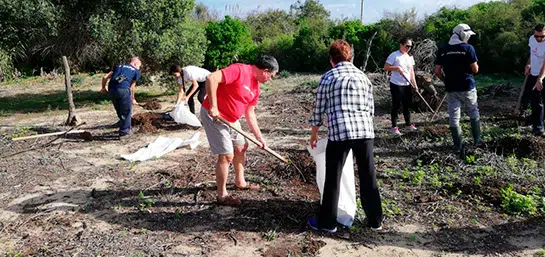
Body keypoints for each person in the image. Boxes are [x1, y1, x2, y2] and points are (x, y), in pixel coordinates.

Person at [307, 40, 383, 233]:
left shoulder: (328, 77)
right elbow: (370, 108)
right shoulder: (363, 77)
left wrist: (314, 134)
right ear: (351, 57)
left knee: (333, 177)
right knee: (368, 176)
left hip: (340, 132)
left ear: (331, 59)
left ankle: (328, 223)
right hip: (365, 132)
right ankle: (375, 221)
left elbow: (318, 109)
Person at [200, 55, 278, 206]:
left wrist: (259, 138)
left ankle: (240, 182)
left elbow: (250, 113)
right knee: (227, 155)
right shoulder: (239, 70)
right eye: (272, 76)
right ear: (266, 71)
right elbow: (211, 78)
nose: (271, 80)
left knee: (241, 147)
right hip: (215, 115)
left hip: (232, 119)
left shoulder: (256, 88)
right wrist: (214, 106)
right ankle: (222, 195)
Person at [434, 24, 483, 156]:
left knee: (454, 116)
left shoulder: (443, 49)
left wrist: (445, 80)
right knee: (473, 111)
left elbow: (437, 71)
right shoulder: (468, 48)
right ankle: (477, 140)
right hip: (467, 86)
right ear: (462, 35)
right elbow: (475, 69)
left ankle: (458, 145)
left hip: (451, 88)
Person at [384, 38, 418, 135]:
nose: (409, 48)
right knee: (396, 105)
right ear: (401, 45)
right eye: (407, 46)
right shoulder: (394, 55)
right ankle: (394, 127)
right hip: (396, 84)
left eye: (410, 46)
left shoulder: (409, 57)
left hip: (407, 84)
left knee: (407, 105)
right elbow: (386, 68)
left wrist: (414, 84)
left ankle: (408, 125)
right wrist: (396, 68)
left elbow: (411, 72)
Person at [101, 57, 142, 136]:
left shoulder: (119, 67)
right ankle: (125, 132)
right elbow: (131, 87)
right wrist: (133, 99)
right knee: (126, 111)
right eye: (139, 66)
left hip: (112, 90)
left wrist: (103, 88)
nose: (139, 68)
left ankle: (124, 126)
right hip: (123, 90)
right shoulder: (136, 71)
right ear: (135, 64)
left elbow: (105, 77)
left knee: (120, 110)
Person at [522, 24, 545, 136]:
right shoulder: (532, 39)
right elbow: (532, 53)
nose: (539, 39)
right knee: (535, 101)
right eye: (537, 36)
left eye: (542, 37)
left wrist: (540, 78)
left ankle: (539, 127)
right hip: (533, 73)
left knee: (539, 102)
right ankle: (537, 124)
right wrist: (528, 64)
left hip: (543, 75)